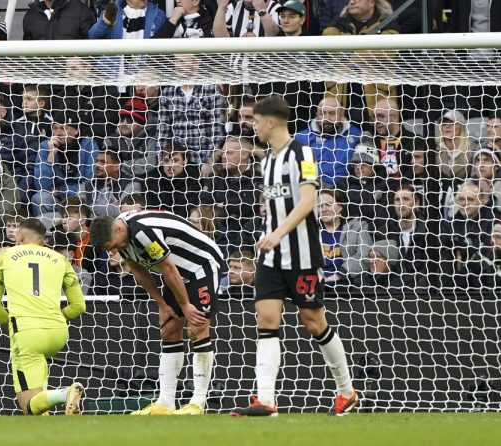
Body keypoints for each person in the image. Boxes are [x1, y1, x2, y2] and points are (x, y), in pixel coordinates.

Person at [231, 95, 357, 417]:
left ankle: (346, 391)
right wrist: (267, 232)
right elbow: (275, 208)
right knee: (266, 320)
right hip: (272, 256)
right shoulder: (265, 160)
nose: (253, 126)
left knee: (314, 322)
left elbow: (307, 201)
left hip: (301, 255)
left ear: (271, 121)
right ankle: (266, 401)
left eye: (256, 120)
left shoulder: (303, 153)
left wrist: (279, 233)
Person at [90, 209, 225, 415]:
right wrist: (162, 304)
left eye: (114, 246)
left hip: (201, 266)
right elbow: (138, 271)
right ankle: (165, 402)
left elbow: (168, 268)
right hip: (179, 273)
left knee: (197, 327)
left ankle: (198, 401)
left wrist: (186, 305)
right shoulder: (122, 237)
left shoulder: (143, 232)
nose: (115, 250)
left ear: (117, 229)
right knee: (169, 330)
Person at [0, 218, 86, 415]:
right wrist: (58, 316)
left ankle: (64, 394)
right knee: (38, 392)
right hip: (58, 333)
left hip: (27, 334)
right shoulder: (60, 259)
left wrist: (7, 324)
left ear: (20, 236)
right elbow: (79, 306)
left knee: (27, 405)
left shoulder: (5, 256)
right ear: (42, 241)